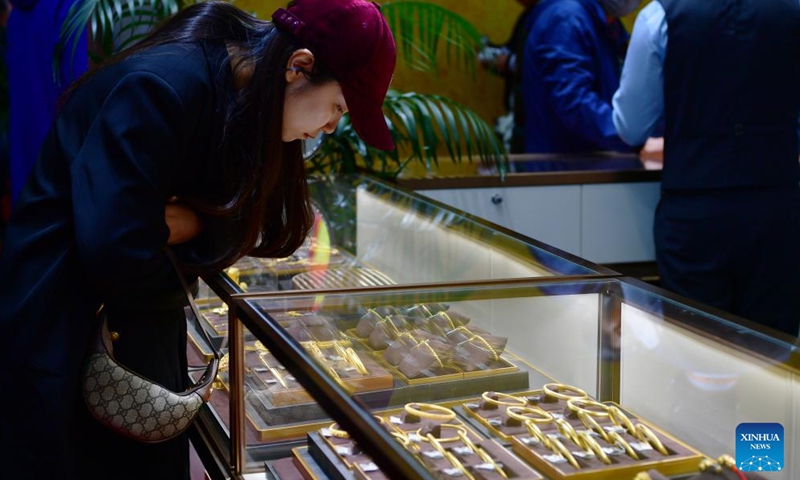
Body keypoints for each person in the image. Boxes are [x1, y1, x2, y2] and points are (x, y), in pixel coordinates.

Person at [0, 0, 396, 478]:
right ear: (300, 66)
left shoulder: (242, 89)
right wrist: (198, 225)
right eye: (337, 107)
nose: (332, 126)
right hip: (58, 321)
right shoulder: (163, 85)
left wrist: (184, 222)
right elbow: (120, 247)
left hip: (123, 322)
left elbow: (265, 226)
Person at [612, 0, 800, 336]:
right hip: (777, 212)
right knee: (774, 354)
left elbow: (631, 125)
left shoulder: (659, 16)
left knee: (697, 348)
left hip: (695, 212)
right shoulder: (792, 11)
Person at [520, 0, 642, 155]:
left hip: (591, 163)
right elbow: (573, 101)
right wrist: (632, 137)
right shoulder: (567, 19)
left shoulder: (605, 23)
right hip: (563, 169)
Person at [5, 0, 88, 204]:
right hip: (61, 151)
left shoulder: (15, 17)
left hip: (25, 147)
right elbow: (77, 85)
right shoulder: (72, 7)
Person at [477, 0, 538, 153]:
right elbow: (512, 49)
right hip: (518, 114)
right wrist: (489, 53)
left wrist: (509, 62)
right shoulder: (528, 16)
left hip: (534, 120)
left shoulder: (554, 15)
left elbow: (541, 65)